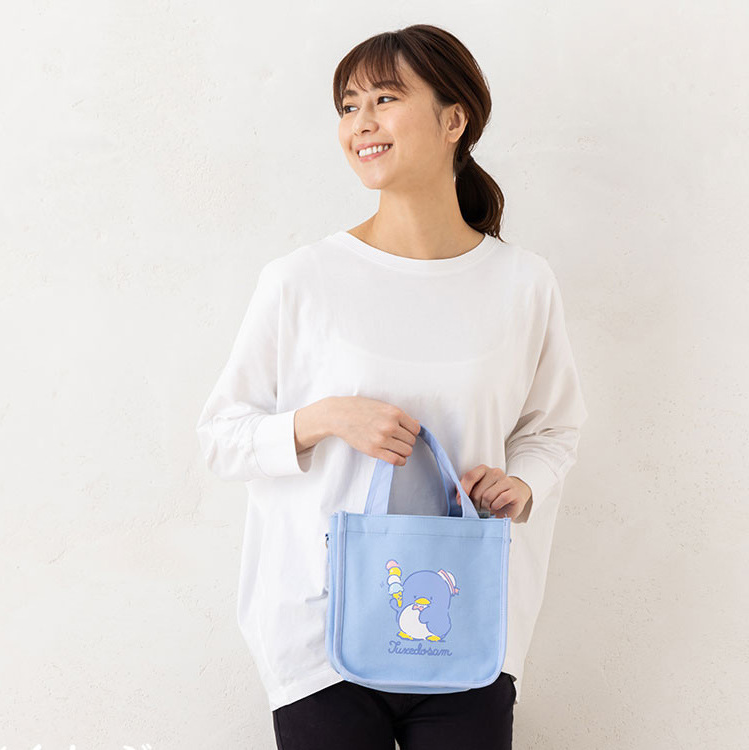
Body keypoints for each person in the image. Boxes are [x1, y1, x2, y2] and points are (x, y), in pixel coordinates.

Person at [196, 23, 589, 750]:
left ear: (453, 120)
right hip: (320, 634)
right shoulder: (301, 280)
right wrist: (321, 419)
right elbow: (220, 437)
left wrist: (523, 483)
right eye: (349, 106)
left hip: (468, 628)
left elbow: (552, 429)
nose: (361, 123)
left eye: (384, 98)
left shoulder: (521, 282)